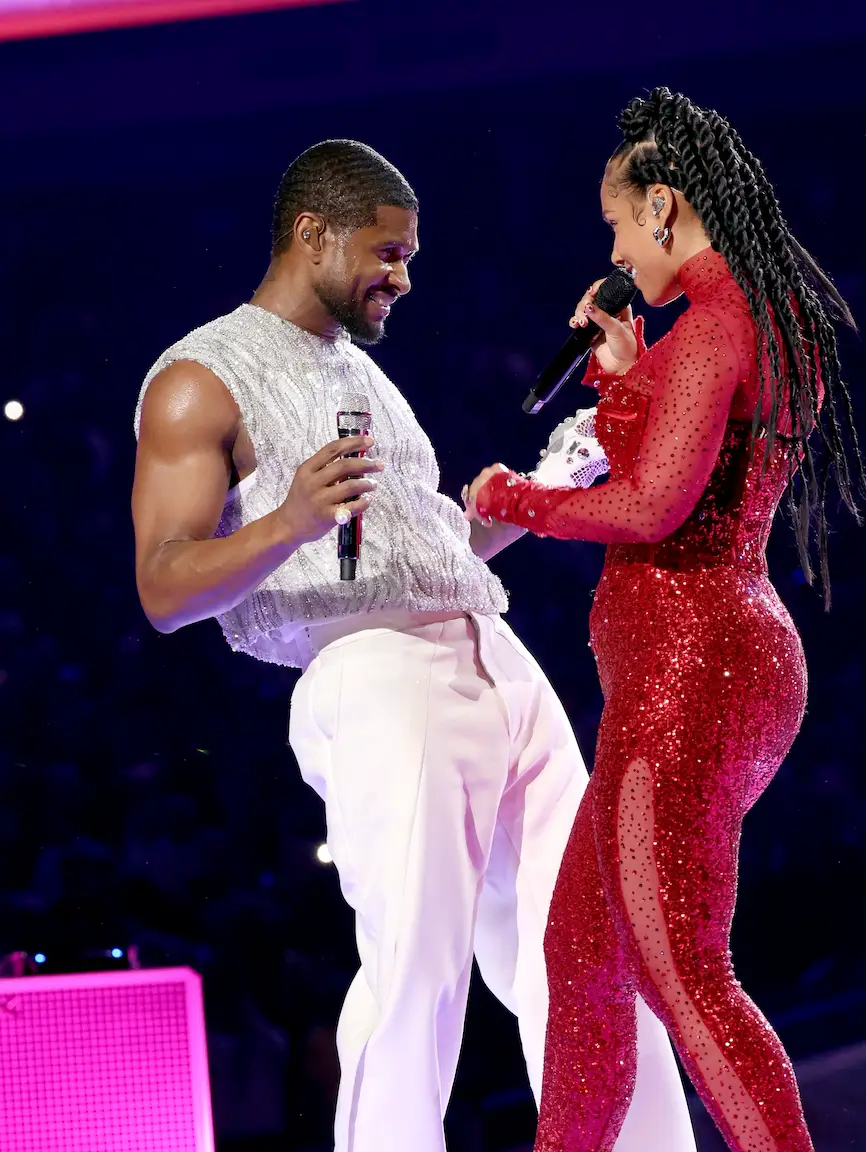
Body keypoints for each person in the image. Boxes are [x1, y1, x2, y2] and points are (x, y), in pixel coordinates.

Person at [130, 140, 697, 1152]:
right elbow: (163, 588)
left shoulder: (359, 373)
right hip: (378, 673)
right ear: (314, 234)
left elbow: (428, 549)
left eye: (410, 256)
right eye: (387, 254)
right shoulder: (196, 378)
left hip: (492, 655)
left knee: (596, 952)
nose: (403, 277)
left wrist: (559, 478)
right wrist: (289, 520)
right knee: (417, 976)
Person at [465, 89, 866, 1151]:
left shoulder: (717, 329)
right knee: (585, 963)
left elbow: (651, 506)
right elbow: (680, 469)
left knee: (677, 970)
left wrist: (517, 501)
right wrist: (619, 374)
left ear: (661, 207)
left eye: (614, 225)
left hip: (688, 676)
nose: (610, 247)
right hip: (706, 665)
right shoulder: (749, 323)